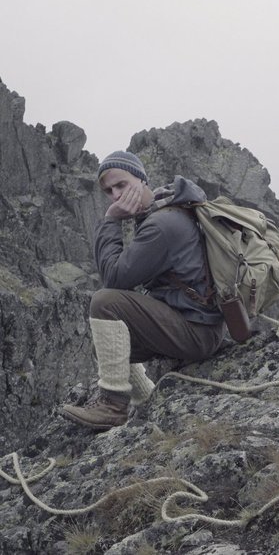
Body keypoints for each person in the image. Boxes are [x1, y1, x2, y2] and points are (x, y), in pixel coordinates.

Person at [61, 151, 225, 430]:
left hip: (197, 332)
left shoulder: (162, 225)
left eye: (121, 185)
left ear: (141, 179)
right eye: (109, 191)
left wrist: (111, 220)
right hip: (197, 325)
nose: (115, 195)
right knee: (107, 338)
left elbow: (113, 278)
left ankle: (112, 406)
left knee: (104, 303)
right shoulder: (166, 210)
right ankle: (144, 397)